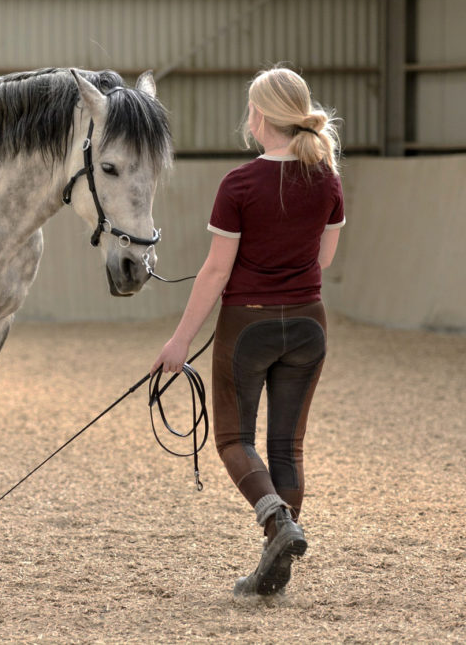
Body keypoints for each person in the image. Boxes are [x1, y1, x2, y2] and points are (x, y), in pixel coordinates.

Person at [150, 67, 345, 596]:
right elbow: (324, 256)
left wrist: (180, 341)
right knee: (288, 447)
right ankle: (273, 571)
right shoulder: (327, 178)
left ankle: (279, 524)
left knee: (235, 439)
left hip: (248, 324)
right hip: (309, 323)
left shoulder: (239, 184)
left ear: (260, 117)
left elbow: (216, 271)